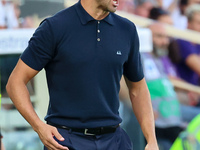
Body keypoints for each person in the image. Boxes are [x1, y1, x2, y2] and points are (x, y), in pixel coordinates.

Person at [6, 0, 158, 150]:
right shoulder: (55, 27)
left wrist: (151, 140)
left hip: (115, 141)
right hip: (65, 141)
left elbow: (138, 89)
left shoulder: (127, 29)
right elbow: (15, 83)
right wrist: (38, 126)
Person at [170, 4, 200, 86]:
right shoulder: (182, 42)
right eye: (198, 23)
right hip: (184, 91)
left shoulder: (197, 44)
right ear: (188, 23)